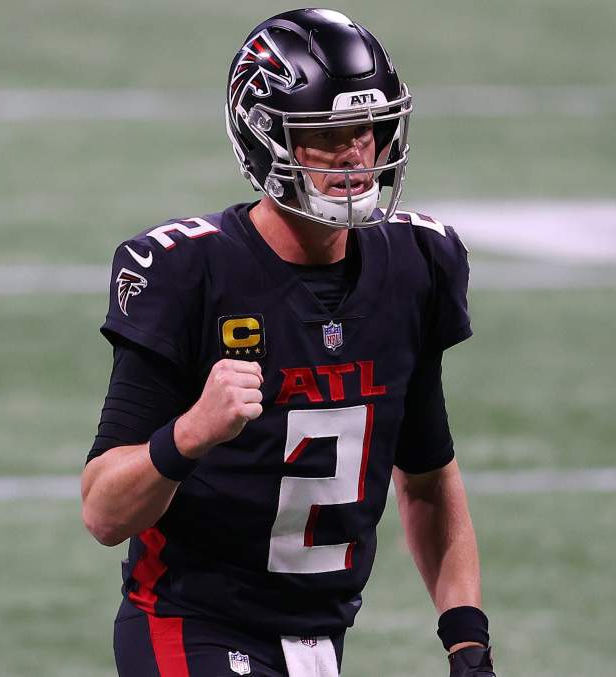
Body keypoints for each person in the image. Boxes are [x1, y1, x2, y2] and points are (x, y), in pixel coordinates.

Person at [80, 8, 496, 677]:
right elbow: (103, 511)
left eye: (367, 129)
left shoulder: (416, 265)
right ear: (264, 136)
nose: (355, 155)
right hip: (191, 623)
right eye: (326, 134)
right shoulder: (189, 273)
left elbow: (426, 479)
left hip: (320, 638)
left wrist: (467, 640)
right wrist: (189, 434)